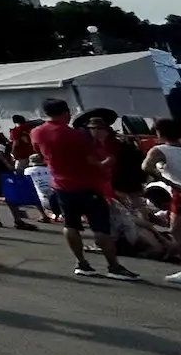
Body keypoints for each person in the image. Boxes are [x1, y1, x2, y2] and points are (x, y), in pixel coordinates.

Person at [30, 99, 140, 280]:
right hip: (87, 185)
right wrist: (109, 159)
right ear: (65, 112)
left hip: (61, 185)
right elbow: (94, 162)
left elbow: (41, 154)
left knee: (71, 225)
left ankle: (82, 263)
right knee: (100, 227)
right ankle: (113, 266)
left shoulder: (36, 132)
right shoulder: (75, 135)